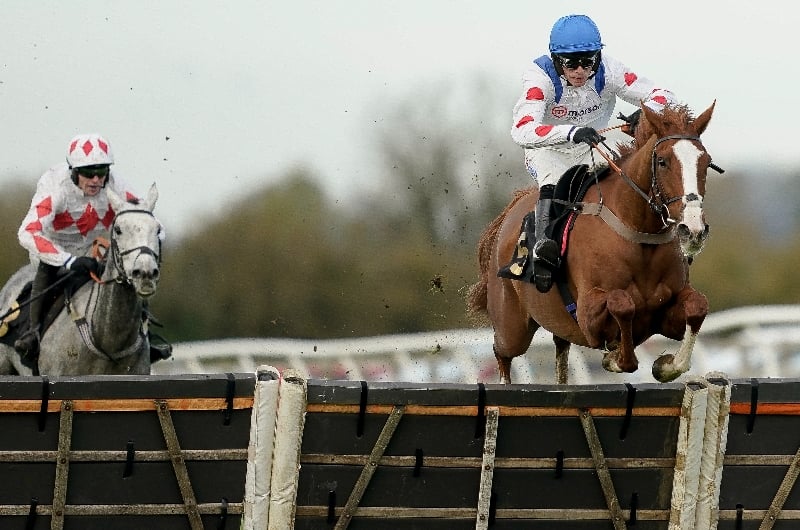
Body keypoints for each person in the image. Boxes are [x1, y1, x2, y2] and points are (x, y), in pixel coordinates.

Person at [498, 14, 677, 293]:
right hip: (548, 150)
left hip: (592, 145)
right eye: (571, 63)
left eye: (588, 61)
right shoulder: (539, 76)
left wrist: (644, 113)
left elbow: (663, 95)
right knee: (554, 179)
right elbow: (522, 129)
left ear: (598, 57)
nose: (580, 70)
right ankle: (540, 251)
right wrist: (570, 132)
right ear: (557, 60)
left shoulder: (610, 70)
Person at [14, 133, 142, 356]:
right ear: (73, 171)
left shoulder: (115, 184)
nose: (96, 180)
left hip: (91, 249)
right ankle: (32, 333)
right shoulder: (55, 186)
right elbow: (27, 233)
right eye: (88, 173)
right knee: (48, 268)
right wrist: (69, 260)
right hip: (53, 251)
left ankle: (144, 331)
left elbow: (143, 217)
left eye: (101, 172)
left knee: (128, 270)